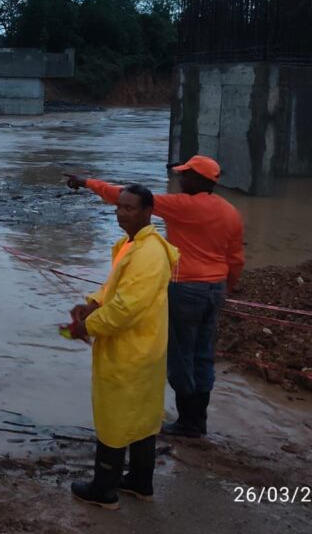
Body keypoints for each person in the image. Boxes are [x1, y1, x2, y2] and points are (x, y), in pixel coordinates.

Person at [64, 155, 244, 438]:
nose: (180, 179)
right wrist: (227, 287)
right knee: (203, 352)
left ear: (198, 180)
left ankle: (187, 422)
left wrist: (86, 182)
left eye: (185, 175)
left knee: (180, 353)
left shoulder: (182, 206)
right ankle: (198, 418)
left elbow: (125, 196)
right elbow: (236, 257)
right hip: (216, 287)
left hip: (185, 288)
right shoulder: (231, 212)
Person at [66, 184, 179, 509]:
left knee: (113, 417)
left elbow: (126, 309)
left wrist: (86, 326)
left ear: (148, 212)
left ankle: (104, 489)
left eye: (130, 208)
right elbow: (114, 287)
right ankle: (141, 482)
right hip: (144, 346)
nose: (122, 213)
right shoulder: (133, 246)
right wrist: (91, 303)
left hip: (131, 349)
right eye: (119, 207)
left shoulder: (149, 254)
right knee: (143, 413)